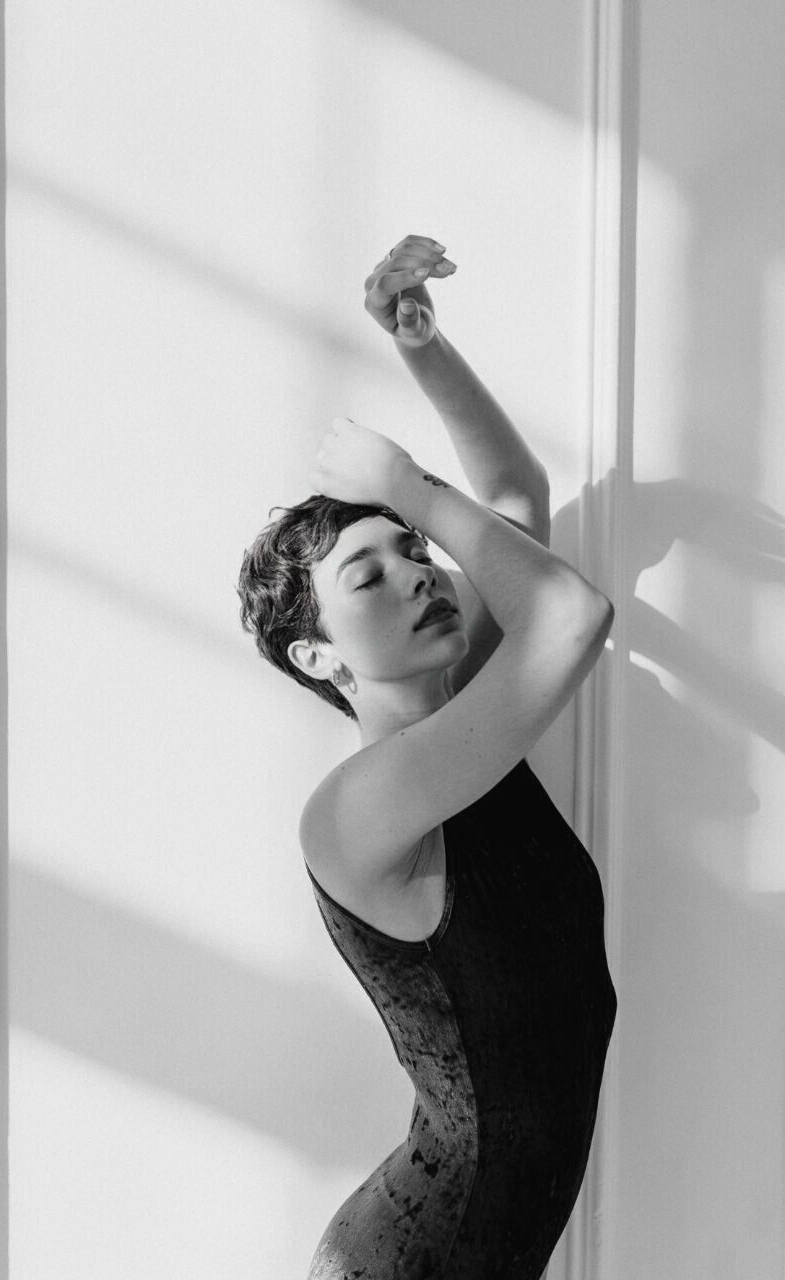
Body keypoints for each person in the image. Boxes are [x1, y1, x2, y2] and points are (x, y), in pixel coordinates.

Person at [236, 235, 618, 1280]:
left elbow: (515, 495)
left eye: (414, 547)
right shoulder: (359, 810)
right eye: (370, 574)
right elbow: (572, 612)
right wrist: (402, 485)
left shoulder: (469, 728)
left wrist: (422, 345)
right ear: (319, 655)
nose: (417, 570)